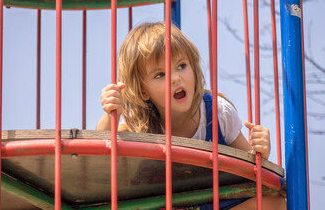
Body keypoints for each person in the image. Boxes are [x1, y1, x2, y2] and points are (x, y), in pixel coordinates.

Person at [96, 22, 286, 209]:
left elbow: (251, 167)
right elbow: (103, 146)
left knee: (275, 204)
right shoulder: (140, 120)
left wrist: (260, 152)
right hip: (166, 203)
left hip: (215, 203)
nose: (176, 78)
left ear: (193, 67)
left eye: (181, 66)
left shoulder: (218, 112)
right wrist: (109, 114)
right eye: (160, 74)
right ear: (143, 91)